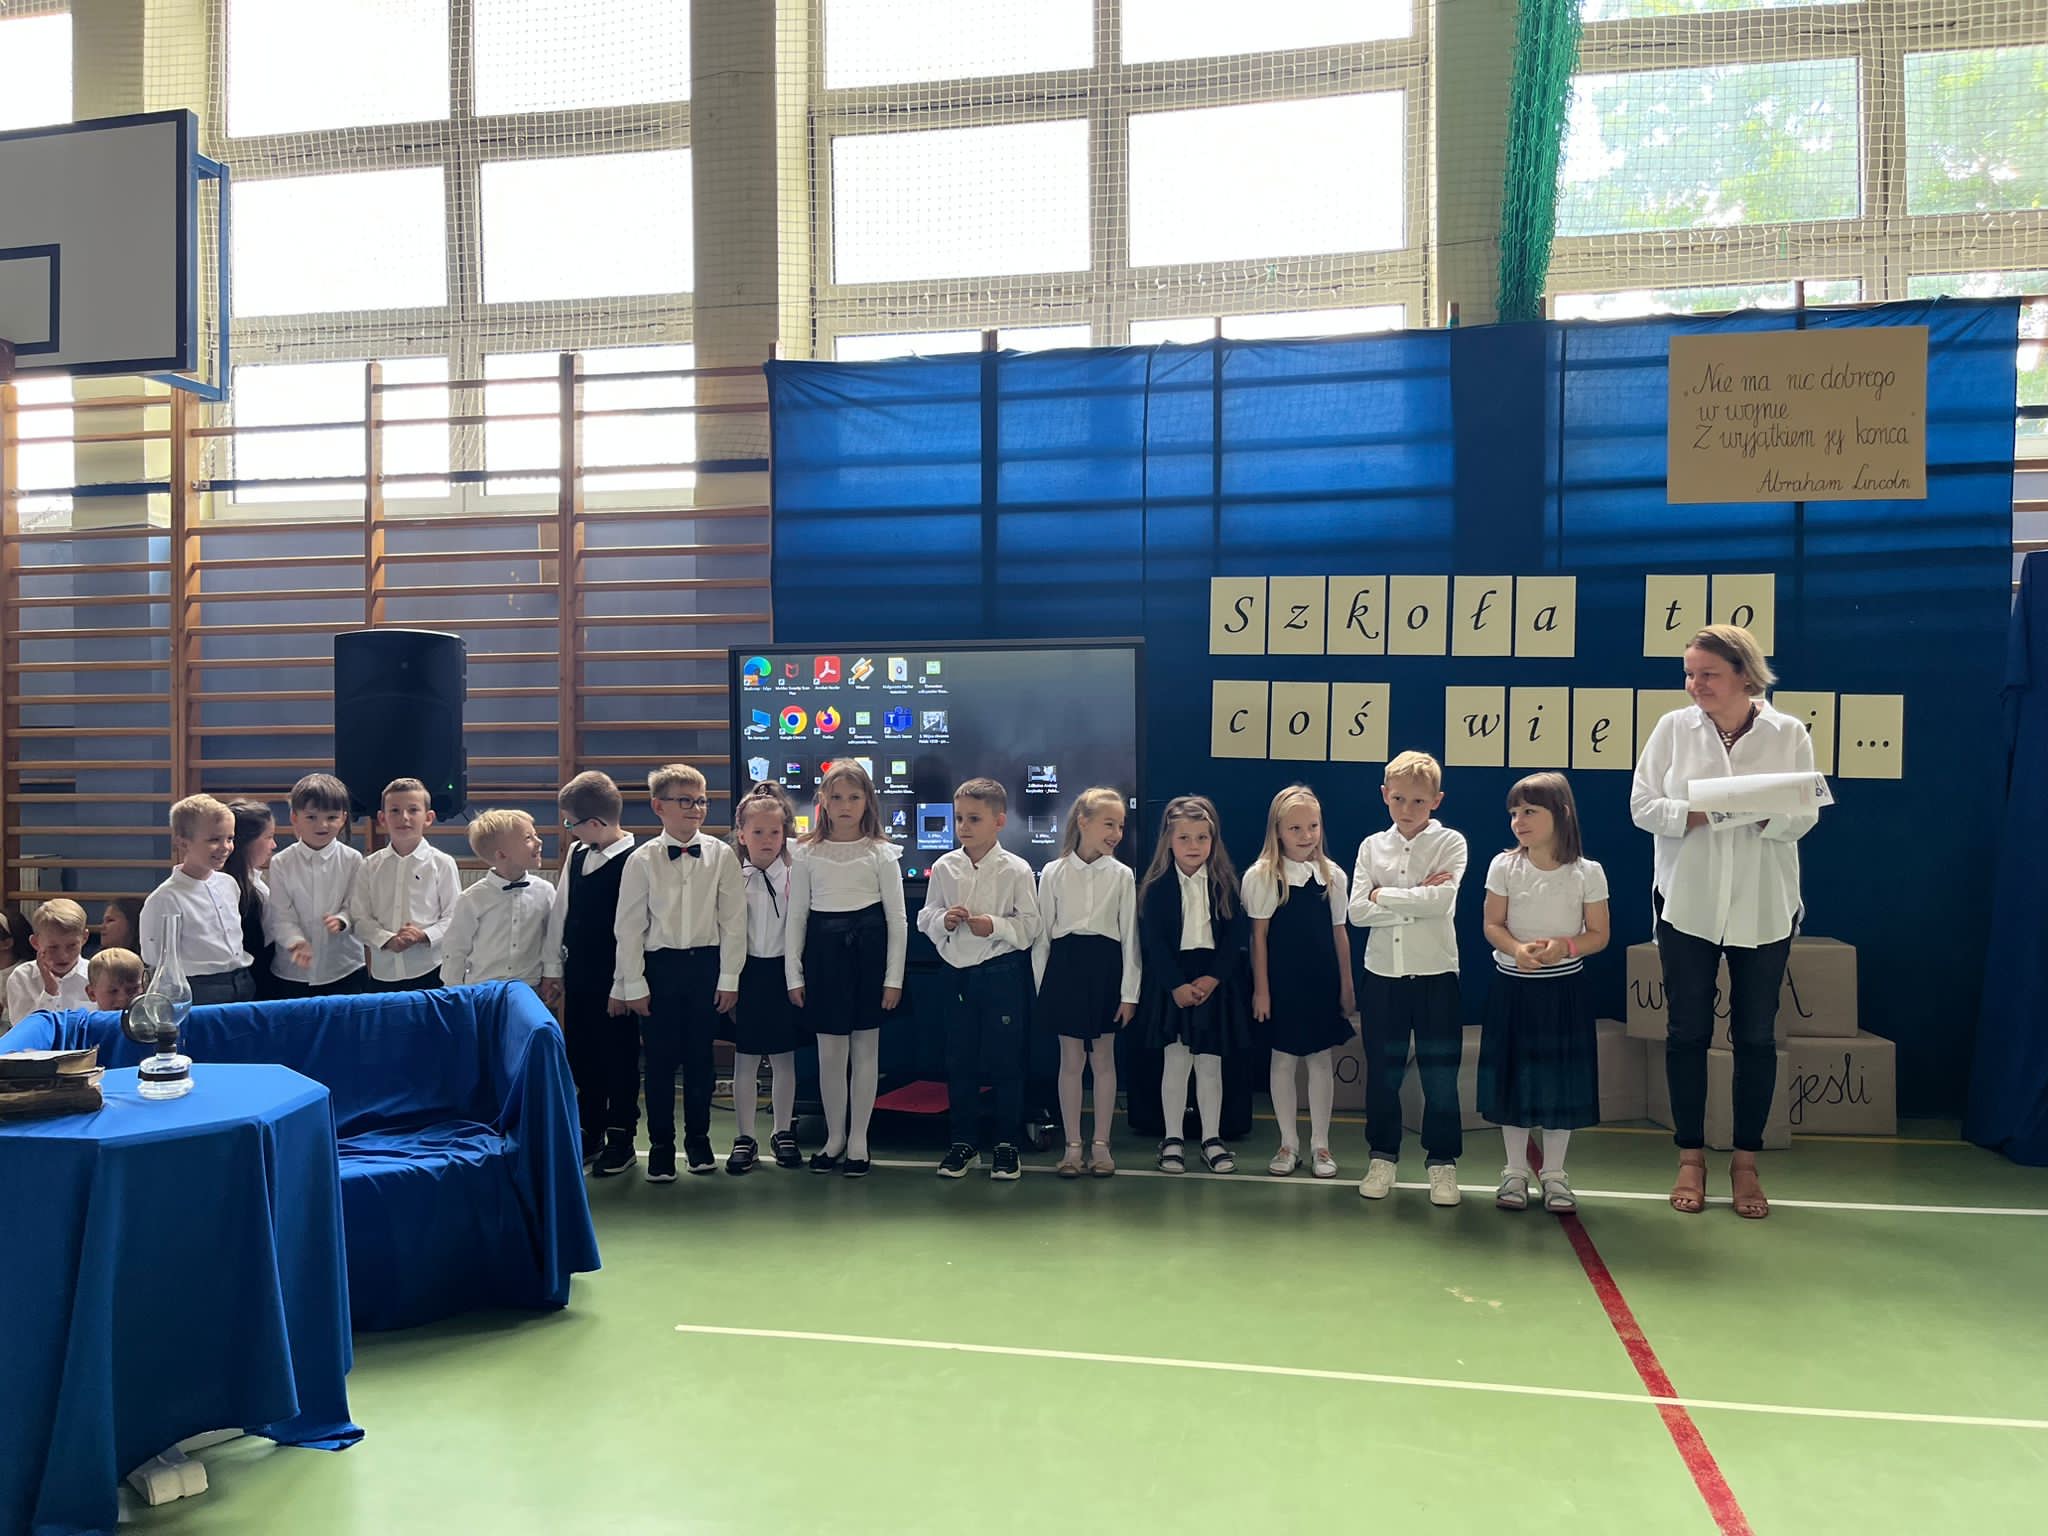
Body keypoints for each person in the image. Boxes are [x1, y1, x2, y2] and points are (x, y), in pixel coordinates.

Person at [1630, 624, 1816, 1220]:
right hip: (1688, 903)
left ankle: (1745, 1163)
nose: (1695, 684)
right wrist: (1705, 810)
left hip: (1764, 906)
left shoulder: (1789, 732)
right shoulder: (1671, 728)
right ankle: (1690, 1157)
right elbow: (1642, 806)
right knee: (1686, 1031)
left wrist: (1763, 815)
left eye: (1707, 673)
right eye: (1689, 673)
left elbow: (1805, 814)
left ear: (1744, 673)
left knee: (1756, 1036)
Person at [1479, 773, 1610, 1214]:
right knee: (1513, 1081)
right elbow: (1492, 924)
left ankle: (1554, 1174)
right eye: (1514, 813)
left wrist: (1565, 947)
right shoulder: (1503, 867)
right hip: (1512, 990)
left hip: (1564, 993)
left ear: (1562, 814)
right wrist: (1517, 950)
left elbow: (1599, 934)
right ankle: (1514, 1171)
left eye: (1530, 811)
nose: (1519, 821)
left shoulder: (1587, 872)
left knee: (1559, 1084)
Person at [612, 763, 746, 1183]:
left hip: (706, 966)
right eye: (685, 800)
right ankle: (661, 1146)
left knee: (701, 1060)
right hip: (660, 969)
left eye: (701, 800)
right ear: (659, 806)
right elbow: (629, 927)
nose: (695, 808)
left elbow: (734, 922)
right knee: (659, 1061)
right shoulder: (641, 859)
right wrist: (633, 982)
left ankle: (699, 1141)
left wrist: (729, 979)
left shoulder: (722, 855)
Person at [1349, 750, 1468, 1207]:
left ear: (1436, 800)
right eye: (1398, 798)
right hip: (1383, 977)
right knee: (1383, 1076)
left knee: (1441, 1076)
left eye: (1418, 801)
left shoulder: (1451, 843)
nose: (1407, 808)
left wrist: (1384, 895)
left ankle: (1442, 1163)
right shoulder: (1370, 847)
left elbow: (1441, 903)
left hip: (1437, 976)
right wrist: (1415, 897)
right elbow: (1357, 912)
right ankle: (1382, 1158)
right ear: (1385, 795)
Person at [786, 760, 907, 1176]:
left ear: (867, 801)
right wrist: (793, 974)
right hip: (824, 960)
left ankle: (859, 1138)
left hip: (869, 959)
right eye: (836, 797)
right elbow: (797, 917)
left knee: (866, 1050)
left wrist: (893, 978)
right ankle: (834, 1135)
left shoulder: (881, 853)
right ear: (823, 800)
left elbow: (897, 921)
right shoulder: (806, 852)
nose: (845, 805)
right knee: (830, 1053)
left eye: (854, 797)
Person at [918, 778, 1042, 1181]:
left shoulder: (1016, 869)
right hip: (956, 975)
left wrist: (996, 925)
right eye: (959, 818)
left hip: (1001, 973)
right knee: (960, 1061)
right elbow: (925, 916)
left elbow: (1031, 926)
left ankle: (1007, 1144)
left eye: (974, 818)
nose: (963, 826)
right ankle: (964, 1143)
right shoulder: (945, 867)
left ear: (999, 821)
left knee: (1006, 1061)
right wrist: (943, 919)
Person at [1245, 786, 1356, 1181]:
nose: (1306, 835)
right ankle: (1288, 1142)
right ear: (1278, 831)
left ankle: (1320, 1143)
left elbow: (1340, 933)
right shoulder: (1262, 876)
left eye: (1313, 826)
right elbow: (1258, 937)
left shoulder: (1333, 875)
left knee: (1320, 1060)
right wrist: (1262, 990)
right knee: (1283, 1060)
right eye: (1295, 828)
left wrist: (1347, 985)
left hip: (1321, 980)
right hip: (1282, 983)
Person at [1136, 794, 1250, 1175]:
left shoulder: (1224, 884)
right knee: (1176, 1061)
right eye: (1184, 838)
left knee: (1210, 1065)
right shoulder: (1156, 887)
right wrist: (1176, 985)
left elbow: (1235, 938)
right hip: (1175, 981)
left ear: (1213, 841)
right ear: (1169, 840)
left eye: (1202, 838)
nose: (1193, 846)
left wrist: (1214, 977)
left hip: (1212, 980)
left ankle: (1211, 1138)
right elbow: (1153, 943)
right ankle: (1172, 1138)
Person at [1032, 787, 1139, 1178]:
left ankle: (1102, 1145)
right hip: (1066, 971)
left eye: (1121, 826)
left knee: (1104, 1058)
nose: (1116, 834)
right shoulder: (1054, 872)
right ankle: (1073, 1146)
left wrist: (1129, 994)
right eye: (1109, 824)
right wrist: (1044, 989)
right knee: (1071, 1060)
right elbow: (1042, 937)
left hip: (1106, 970)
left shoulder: (1122, 875)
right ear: (1083, 822)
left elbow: (1130, 939)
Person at [540, 770, 639, 1176]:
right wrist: (553, 969)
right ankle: (591, 1128)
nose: (569, 830)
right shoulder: (577, 854)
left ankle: (622, 1135)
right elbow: (561, 912)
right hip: (579, 974)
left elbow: (636, 929)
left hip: (617, 980)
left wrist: (624, 984)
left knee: (620, 1057)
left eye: (570, 824)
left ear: (595, 823)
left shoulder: (637, 859)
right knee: (582, 1053)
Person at [724, 781, 807, 1174]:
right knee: (745, 1060)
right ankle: (745, 1136)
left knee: (783, 1057)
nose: (767, 839)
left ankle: (782, 1130)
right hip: (746, 975)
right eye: (757, 832)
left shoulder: (795, 877)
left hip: (782, 974)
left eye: (775, 832)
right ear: (741, 835)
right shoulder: (731, 879)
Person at [140, 793, 258, 1005]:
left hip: (242, 979)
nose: (225, 847)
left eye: (230, 838)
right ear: (183, 843)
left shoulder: (229, 884)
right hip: (200, 989)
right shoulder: (165, 898)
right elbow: (156, 959)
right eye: (214, 840)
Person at [350, 778, 460, 993]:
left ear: (428, 818)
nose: (404, 817)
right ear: (382, 818)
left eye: (413, 810)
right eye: (395, 811)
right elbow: (360, 918)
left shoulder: (442, 863)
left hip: (431, 971)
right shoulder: (369, 866)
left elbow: (454, 916)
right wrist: (387, 939)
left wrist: (424, 936)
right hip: (383, 974)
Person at [265, 773, 367, 996]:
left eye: (331, 817)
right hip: (292, 972)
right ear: (295, 818)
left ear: (343, 818)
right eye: (311, 817)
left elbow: (355, 906)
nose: (322, 825)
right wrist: (296, 942)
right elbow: (281, 915)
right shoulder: (281, 862)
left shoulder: (353, 860)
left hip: (344, 967)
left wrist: (342, 920)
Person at [440, 810, 554, 989]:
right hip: (482, 988)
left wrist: (552, 976)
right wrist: (453, 991)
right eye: (528, 838)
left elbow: (552, 940)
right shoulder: (472, 899)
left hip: (529, 988)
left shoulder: (545, 892)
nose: (539, 842)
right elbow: (455, 948)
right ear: (501, 855)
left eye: (536, 835)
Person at [4, 898, 91, 1022]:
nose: (63, 956)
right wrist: (50, 991)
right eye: (53, 947)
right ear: (35, 943)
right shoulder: (21, 978)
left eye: (72, 946)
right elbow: (24, 1029)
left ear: (84, 938)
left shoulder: (96, 976)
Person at [223, 801, 278, 995]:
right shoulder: (233, 890)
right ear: (246, 842)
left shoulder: (254, 882)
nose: (274, 845)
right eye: (268, 837)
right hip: (255, 983)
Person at [85, 946, 145, 1015]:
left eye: (132, 990)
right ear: (92, 994)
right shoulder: (85, 1021)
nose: (123, 998)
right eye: (113, 991)